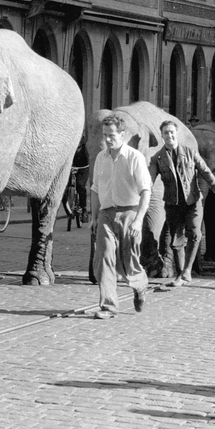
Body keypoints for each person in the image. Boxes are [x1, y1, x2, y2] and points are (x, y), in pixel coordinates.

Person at [85, 113, 152, 319]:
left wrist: (139, 220)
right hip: (106, 214)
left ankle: (140, 286)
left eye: (111, 135)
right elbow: (95, 189)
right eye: (105, 135)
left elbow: (145, 191)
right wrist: (94, 217)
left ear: (122, 135)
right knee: (104, 258)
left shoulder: (134, 157)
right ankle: (108, 306)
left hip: (129, 213)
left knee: (129, 263)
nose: (107, 139)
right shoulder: (100, 159)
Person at [149, 119, 215, 289]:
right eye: (165, 133)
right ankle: (180, 273)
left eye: (171, 132)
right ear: (162, 136)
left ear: (176, 134)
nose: (169, 135)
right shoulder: (158, 158)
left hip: (193, 201)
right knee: (176, 240)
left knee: (195, 233)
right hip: (172, 203)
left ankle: (187, 271)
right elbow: (149, 180)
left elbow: (206, 172)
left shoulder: (190, 153)